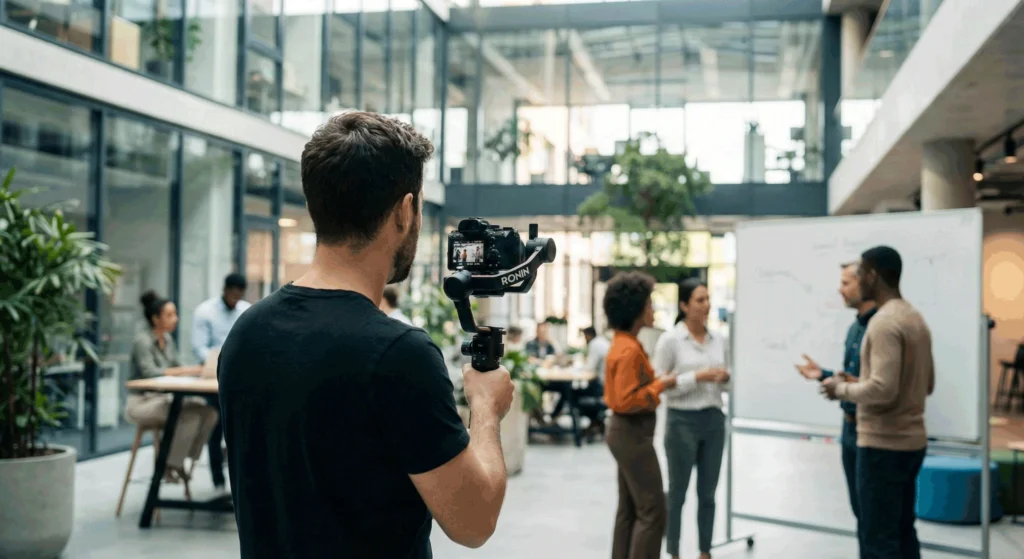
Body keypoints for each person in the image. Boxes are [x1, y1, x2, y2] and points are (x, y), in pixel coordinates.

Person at [218, 112, 515, 558]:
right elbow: (474, 522)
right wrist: (486, 409)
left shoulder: (246, 332)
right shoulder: (399, 355)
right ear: (406, 210)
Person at [821, 246, 935, 559]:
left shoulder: (883, 323)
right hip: (911, 443)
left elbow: (883, 391)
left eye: (860, 273)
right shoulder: (914, 316)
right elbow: (926, 384)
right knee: (901, 531)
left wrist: (840, 389)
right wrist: (863, 384)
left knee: (877, 540)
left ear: (872, 276)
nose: (856, 279)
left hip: (883, 445)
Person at [795, 262, 877, 537]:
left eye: (845, 283)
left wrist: (839, 386)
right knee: (861, 514)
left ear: (865, 283)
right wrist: (824, 375)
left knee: (875, 518)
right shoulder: (855, 329)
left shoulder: (881, 328)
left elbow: (877, 387)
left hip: (871, 431)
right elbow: (853, 379)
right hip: (849, 429)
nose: (839, 290)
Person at [652, 279, 729, 559]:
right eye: (700, 300)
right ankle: (673, 552)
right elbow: (659, 382)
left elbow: (727, 383)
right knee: (677, 494)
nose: (707, 305)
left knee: (708, 494)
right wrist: (696, 377)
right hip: (681, 421)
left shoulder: (720, 339)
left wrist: (725, 378)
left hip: (713, 420)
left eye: (708, 298)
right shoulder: (671, 340)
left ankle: (704, 552)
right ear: (684, 306)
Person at [603, 271, 677, 559]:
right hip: (631, 434)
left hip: (624, 433)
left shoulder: (622, 342)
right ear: (635, 309)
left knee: (629, 509)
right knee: (653, 509)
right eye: (649, 304)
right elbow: (625, 400)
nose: (653, 310)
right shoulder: (630, 349)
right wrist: (662, 384)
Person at [126, 291, 219, 481]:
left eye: (175, 314)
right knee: (190, 416)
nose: (175, 319)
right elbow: (150, 372)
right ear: (155, 319)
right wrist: (188, 370)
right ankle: (169, 465)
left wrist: (196, 371)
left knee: (210, 413)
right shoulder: (142, 341)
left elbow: (178, 366)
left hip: (163, 399)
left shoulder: (167, 340)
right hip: (142, 402)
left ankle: (178, 461)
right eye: (170, 315)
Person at [190, 272, 251, 489]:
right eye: (232, 294)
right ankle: (218, 479)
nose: (235, 299)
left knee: (244, 428)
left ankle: (242, 480)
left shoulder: (246, 311)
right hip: (213, 378)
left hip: (242, 380)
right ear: (225, 290)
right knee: (215, 427)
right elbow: (199, 347)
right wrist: (219, 364)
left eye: (239, 295)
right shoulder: (205, 312)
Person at [580, 326, 611, 438]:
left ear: (588, 335)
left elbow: (590, 368)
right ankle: (595, 422)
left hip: (602, 387)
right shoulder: (602, 342)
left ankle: (594, 422)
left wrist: (578, 368)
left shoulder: (595, 344)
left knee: (572, 395)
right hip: (608, 386)